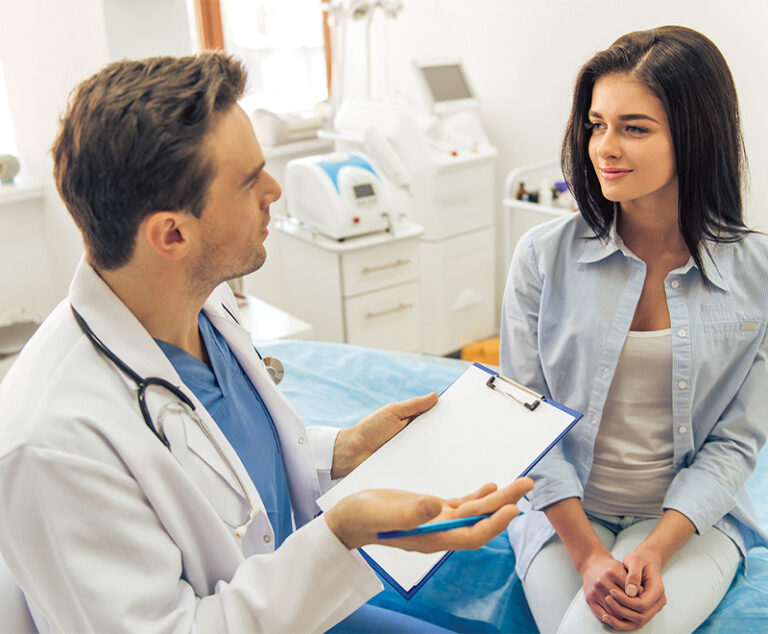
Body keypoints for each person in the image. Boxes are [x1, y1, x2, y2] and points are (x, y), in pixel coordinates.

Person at [0, 52, 533, 633]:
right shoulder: (54, 446)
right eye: (251, 179)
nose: (275, 190)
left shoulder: (202, 303)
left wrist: (345, 450)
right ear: (172, 234)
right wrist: (338, 535)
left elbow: (232, 470)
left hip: (284, 598)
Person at [501, 25, 768, 633]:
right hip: (564, 512)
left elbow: (736, 444)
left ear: (695, 137)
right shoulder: (543, 256)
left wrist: (651, 551)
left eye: (635, 128)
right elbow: (525, 419)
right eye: (596, 124)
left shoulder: (759, 274)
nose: (605, 147)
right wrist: (589, 554)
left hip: (687, 521)